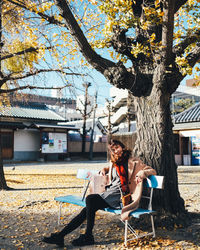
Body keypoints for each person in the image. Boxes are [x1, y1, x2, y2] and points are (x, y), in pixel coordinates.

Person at [42, 139, 156, 247]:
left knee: (90, 200)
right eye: (113, 149)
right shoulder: (114, 162)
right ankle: (64, 236)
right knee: (87, 209)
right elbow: (112, 168)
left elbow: (151, 170)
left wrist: (142, 174)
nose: (116, 150)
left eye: (117, 147)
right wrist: (105, 169)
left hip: (122, 197)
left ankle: (81, 236)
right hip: (110, 194)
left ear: (122, 146)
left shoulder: (134, 161)